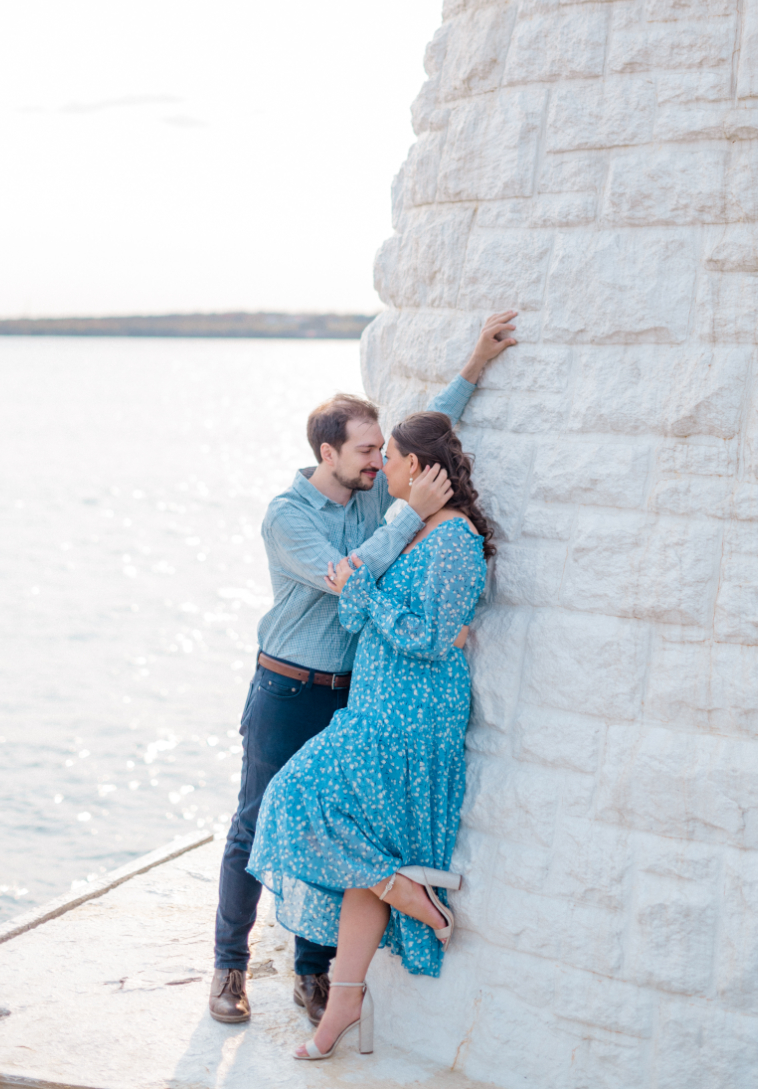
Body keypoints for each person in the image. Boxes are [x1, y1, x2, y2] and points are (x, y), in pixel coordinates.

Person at [209, 311, 517, 1028]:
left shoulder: (379, 489)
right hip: (286, 686)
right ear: (328, 450)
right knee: (257, 818)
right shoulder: (289, 515)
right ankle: (229, 965)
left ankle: (314, 976)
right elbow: (352, 576)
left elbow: (425, 438)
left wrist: (474, 364)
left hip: (351, 692)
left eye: (383, 452)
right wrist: (410, 517)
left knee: (342, 820)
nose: (380, 462)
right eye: (366, 450)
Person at [248, 408, 494, 1061]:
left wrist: (364, 591)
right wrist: (363, 593)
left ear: (416, 466)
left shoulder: (454, 540)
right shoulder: (413, 531)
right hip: (377, 704)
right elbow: (355, 614)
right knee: (362, 853)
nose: (381, 466)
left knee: (294, 799)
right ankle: (342, 1006)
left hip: (409, 717)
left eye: (390, 456)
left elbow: (428, 638)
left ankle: (413, 897)